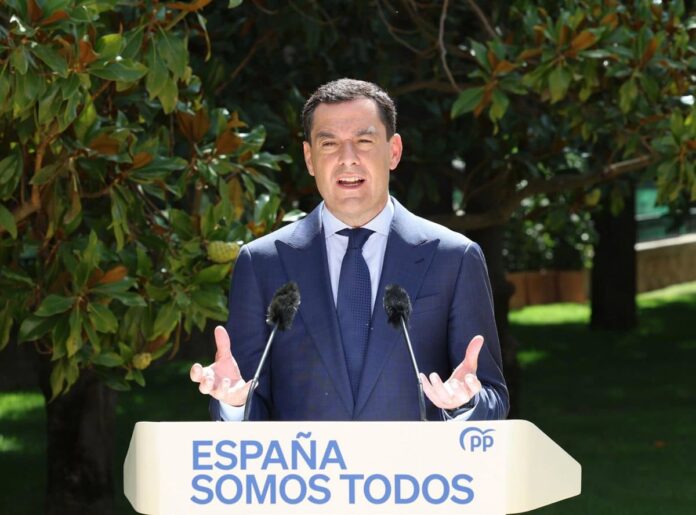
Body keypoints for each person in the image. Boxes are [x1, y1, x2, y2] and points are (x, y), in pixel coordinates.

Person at [190, 78, 508, 421]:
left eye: (364, 141)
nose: (348, 159)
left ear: (394, 151)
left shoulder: (454, 258)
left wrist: (463, 403)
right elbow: (243, 392)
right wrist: (235, 405)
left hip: (416, 458)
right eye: (329, 144)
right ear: (309, 158)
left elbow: (492, 397)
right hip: (305, 458)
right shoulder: (262, 263)